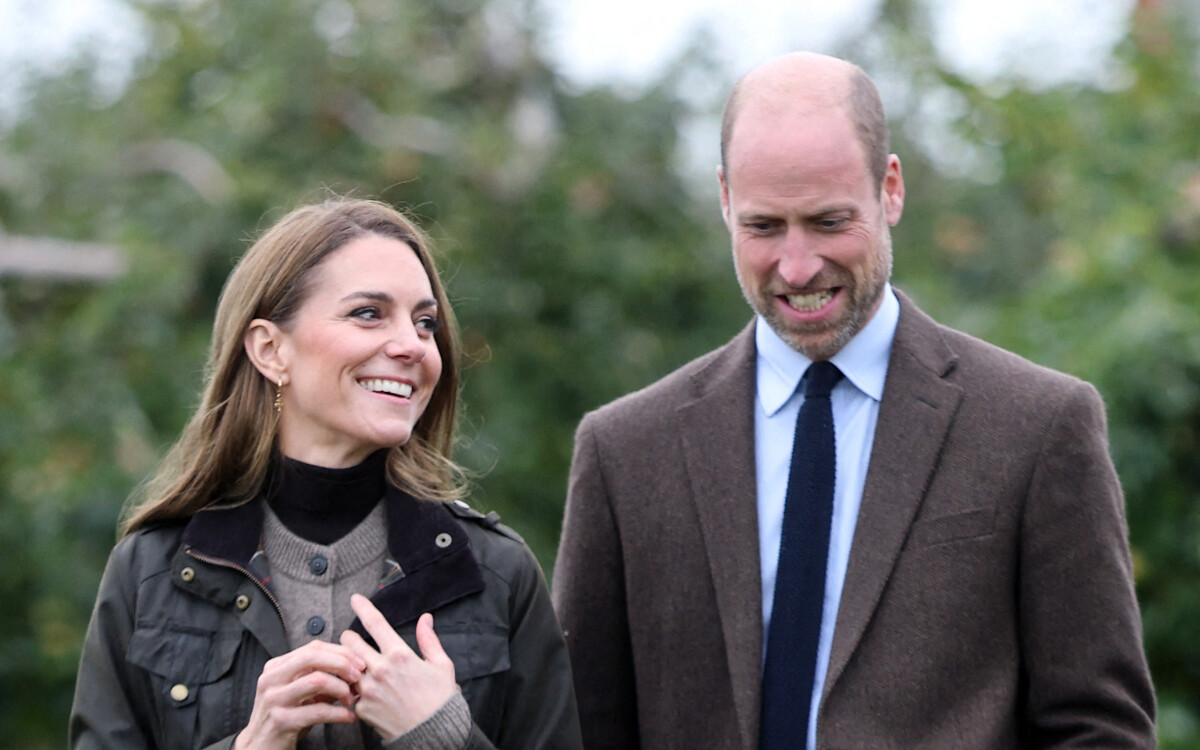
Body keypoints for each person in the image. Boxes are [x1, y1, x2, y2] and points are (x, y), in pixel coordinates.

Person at [552, 52, 1156, 749]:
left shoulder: (1039, 426)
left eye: (829, 221)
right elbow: (580, 731)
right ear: (723, 198)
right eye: (764, 227)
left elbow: (1100, 731)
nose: (799, 265)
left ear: (890, 189)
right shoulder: (624, 451)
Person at [70, 197, 582, 750]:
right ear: (270, 349)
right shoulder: (152, 572)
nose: (412, 345)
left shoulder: (496, 574)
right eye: (368, 313)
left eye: (425, 322)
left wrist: (440, 736)